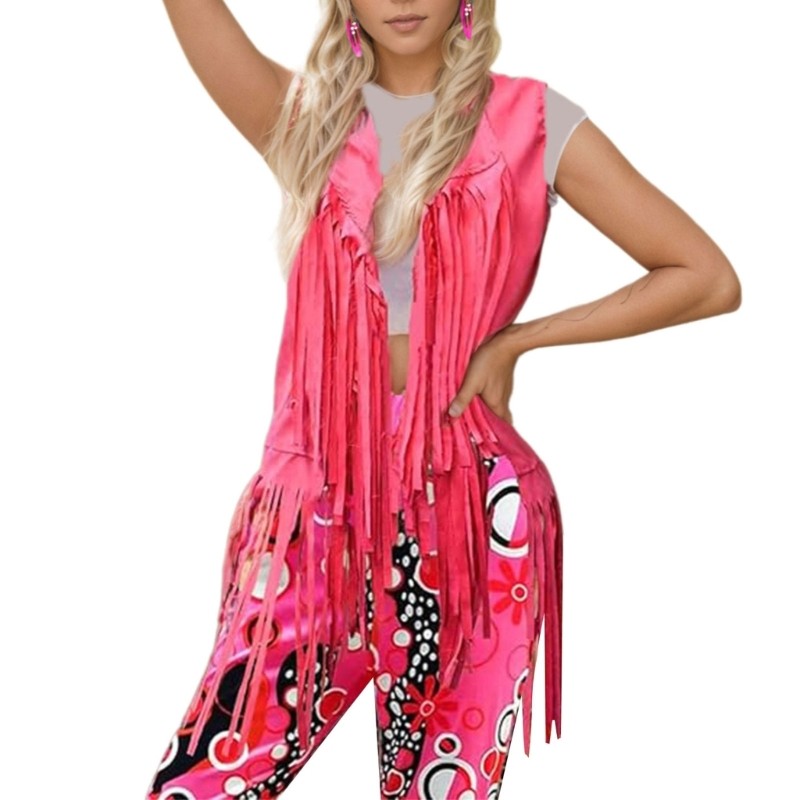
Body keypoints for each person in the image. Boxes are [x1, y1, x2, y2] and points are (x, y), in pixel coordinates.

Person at [146, 1, 742, 798]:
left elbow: (704, 276)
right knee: (204, 779)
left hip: (470, 514)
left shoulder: (532, 123)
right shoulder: (303, 120)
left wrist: (516, 340)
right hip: (314, 515)